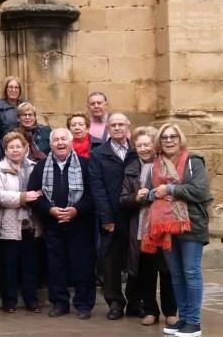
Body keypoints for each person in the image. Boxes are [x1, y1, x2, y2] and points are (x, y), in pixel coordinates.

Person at [27, 128, 96, 319]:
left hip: (80, 225)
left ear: (71, 142)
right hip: (53, 225)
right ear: (50, 145)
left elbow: (93, 194)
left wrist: (76, 210)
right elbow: (33, 195)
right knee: (56, 267)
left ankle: (83, 304)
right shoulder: (41, 167)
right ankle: (59, 303)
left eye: (63, 139)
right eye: (56, 140)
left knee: (82, 266)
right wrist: (49, 209)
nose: (60, 143)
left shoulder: (85, 165)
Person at [151, 124, 212, 337]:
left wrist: (170, 189)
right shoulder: (156, 164)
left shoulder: (193, 162)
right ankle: (184, 319)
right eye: (164, 137)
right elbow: (154, 192)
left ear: (180, 139)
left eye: (173, 137)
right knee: (176, 274)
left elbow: (200, 190)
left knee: (191, 272)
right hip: (167, 226)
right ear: (159, 141)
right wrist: (149, 194)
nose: (169, 140)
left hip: (191, 223)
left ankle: (194, 323)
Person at [118, 126, 178, 327]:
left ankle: (171, 311)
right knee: (146, 272)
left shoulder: (166, 165)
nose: (143, 148)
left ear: (155, 145)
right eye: (139, 145)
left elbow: (175, 192)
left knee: (167, 271)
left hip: (163, 227)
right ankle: (151, 310)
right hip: (141, 227)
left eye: (147, 144)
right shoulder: (132, 169)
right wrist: (137, 197)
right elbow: (123, 199)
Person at [88, 113, 141, 320]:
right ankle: (115, 303)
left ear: (128, 127)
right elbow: (97, 188)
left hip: (135, 214)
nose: (117, 128)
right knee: (111, 262)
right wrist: (106, 218)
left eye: (121, 124)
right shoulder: (99, 154)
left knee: (137, 259)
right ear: (108, 128)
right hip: (111, 216)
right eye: (113, 125)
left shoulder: (137, 152)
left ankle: (135, 301)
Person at [0, 132, 42, 313]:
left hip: (31, 224)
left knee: (30, 265)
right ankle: (9, 301)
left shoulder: (35, 167)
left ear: (25, 147)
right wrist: (23, 197)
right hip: (8, 224)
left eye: (18, 146)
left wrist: (37, 196)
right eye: (11, 147)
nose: (15, 150)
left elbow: (42, 190)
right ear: (5, 150)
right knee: (8, 266)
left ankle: (31, 300)